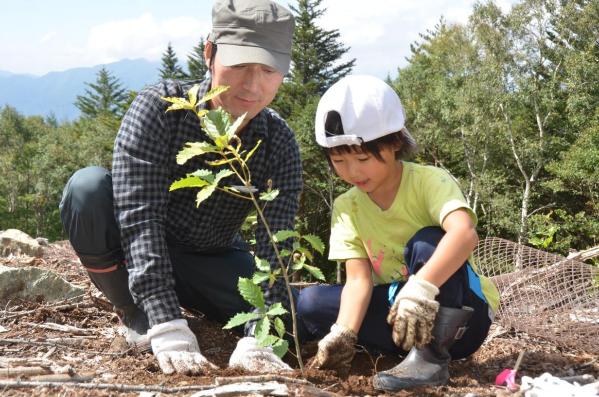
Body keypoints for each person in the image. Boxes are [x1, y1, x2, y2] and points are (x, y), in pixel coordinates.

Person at [59, 0, 301, 375]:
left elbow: (277, 244)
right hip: (137, 247)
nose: (253, 85)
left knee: (291, 308)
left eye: (269, 70)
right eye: (239, 66)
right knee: (86, 189)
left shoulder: (278, 140)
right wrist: (166, 322)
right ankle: (132, 309)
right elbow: (141, 220)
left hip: (210, 256)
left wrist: (260, 335)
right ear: (209, 53)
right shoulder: (160, 110)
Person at [296, 75, 500, 391]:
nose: (353, 172)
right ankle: (394, 349)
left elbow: (464, 234)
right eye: (339, 161)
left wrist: (421, 285)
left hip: (463, 317)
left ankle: (430, 358)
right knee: (312, 302)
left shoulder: (428, 182)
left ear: (394, 143)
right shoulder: (347, 205)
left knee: (427, 242)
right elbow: (358, 281)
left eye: (363, 158)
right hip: (400, 313)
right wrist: (344, 333)